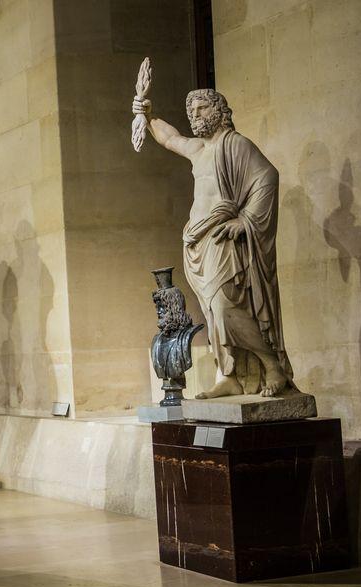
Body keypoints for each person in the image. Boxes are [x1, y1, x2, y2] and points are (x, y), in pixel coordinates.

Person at [133, 89, 293, 398]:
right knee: (211, 311)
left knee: (223, 305)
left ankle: (272, 365)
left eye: (202, 108)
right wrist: (149, 115)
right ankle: (229, 375)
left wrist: (244, 221)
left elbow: (267, 178)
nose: (195, 115)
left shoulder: (236, 145)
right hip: (198, 241)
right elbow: (169, 139)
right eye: (191, 110)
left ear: (219, 110)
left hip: (222, 237)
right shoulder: (199, 149)